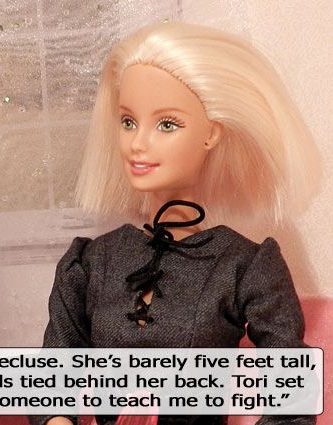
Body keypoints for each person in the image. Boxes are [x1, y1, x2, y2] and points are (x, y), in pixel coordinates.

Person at [31, 21, 319, 425]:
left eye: (167, 124)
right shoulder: (92, 262)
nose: (138, 143)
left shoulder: (244, 265)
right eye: (128, 121)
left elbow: (292, 397)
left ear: (211, 134)